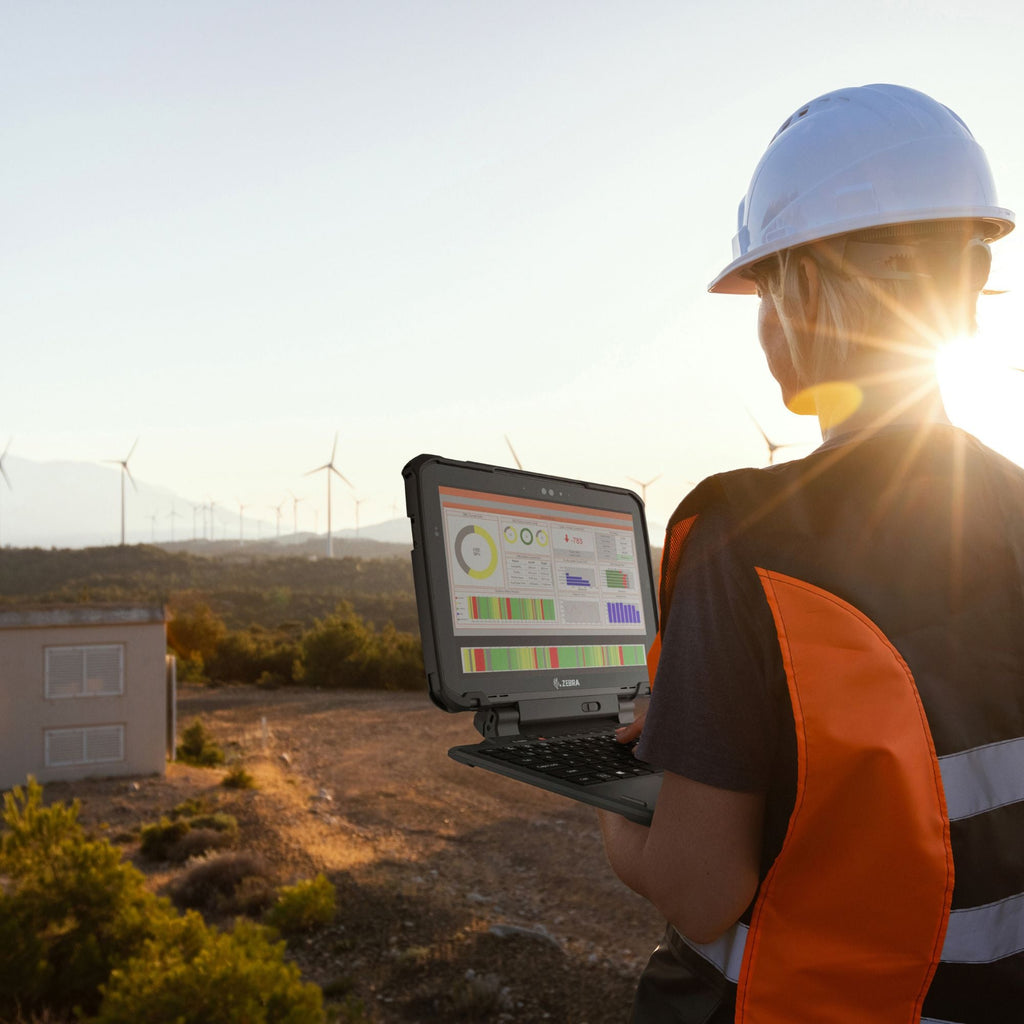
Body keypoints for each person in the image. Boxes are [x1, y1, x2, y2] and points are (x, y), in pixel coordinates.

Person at [598, 83, 1024, 1023]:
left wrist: (609, 797)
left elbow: (700, 889)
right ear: (968, 284)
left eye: (764, 291)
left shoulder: (743, 538)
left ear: (806, 289)